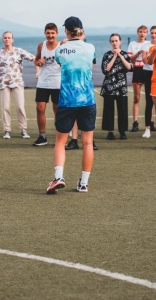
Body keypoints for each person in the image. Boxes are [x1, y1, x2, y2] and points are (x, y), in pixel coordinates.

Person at [46, 16, 96, 194]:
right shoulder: (90, 48)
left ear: (66, 31)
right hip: (87, 100)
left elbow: (60, 62)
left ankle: (59, 177)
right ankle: (84, 183)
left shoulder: (60, 49)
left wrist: (64, 44)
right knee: (87, 143)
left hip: (67, 100)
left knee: (60, 141)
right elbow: (90, 64)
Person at [0, 31, 35, 139]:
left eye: (9, 37)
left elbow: (33, 58)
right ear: (2, 39)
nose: (7, 39)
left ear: (12, 39)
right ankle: (7, 130)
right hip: (3, 83)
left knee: (20, 106)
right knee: (5, 107)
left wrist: (38, 70)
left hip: (17, 82)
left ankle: (23, 129)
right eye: (5, 37)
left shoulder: (19, 51)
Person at [33, 23, 61, 146]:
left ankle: (60, 137)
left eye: (52, 33)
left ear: (57, 33)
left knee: (57, 110)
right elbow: (36, 60)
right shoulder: (41, 45)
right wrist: (38, 62)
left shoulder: (61, 46)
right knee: (40, 108)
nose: (50, 35)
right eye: (48, 33)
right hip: (43, 82)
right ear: (45, 33)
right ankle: (42, 136)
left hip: (57, 83)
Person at [101, 33, 132, 140]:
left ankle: (122, 131)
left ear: (120, 41)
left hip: (121, 86)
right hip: (109, 86)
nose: (114, 43)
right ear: (110, 42)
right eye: (112, 41)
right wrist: (114, 56)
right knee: (109, 110)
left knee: (122, 109)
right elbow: (106, 69)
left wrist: (120, 56)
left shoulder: (125, 54)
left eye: (116, 41)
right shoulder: (106, 55)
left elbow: (129, 67)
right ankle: (110, 131)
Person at [127, 25, 149, 133]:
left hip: (148, 69)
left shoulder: (149, 44)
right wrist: (139, 52)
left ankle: (150, 122)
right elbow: (130, 59)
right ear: (137, 32)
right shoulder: (132, 44)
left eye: (144, 32)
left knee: (150, 98)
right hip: (137, 70)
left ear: (146, 33)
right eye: (140, 31)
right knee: (136, 98)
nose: (142, 34)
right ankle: (135, 122)